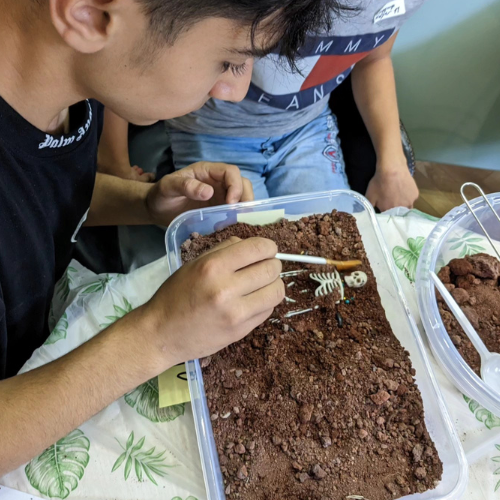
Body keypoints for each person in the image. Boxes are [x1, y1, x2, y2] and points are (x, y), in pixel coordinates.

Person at [0, 0, 342, 475]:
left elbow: (39, 192)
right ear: (87, 13)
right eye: (229, 61)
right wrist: (157, 337)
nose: (233, 90)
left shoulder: (70, 84)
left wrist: (144, 204)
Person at [100, 0, 425, 211]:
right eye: (232, 61)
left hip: (305, 129)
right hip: (213, 131)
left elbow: (375, 58)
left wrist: (392, 166)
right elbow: (128, 60)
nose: (233, 87)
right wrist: (114, 165)